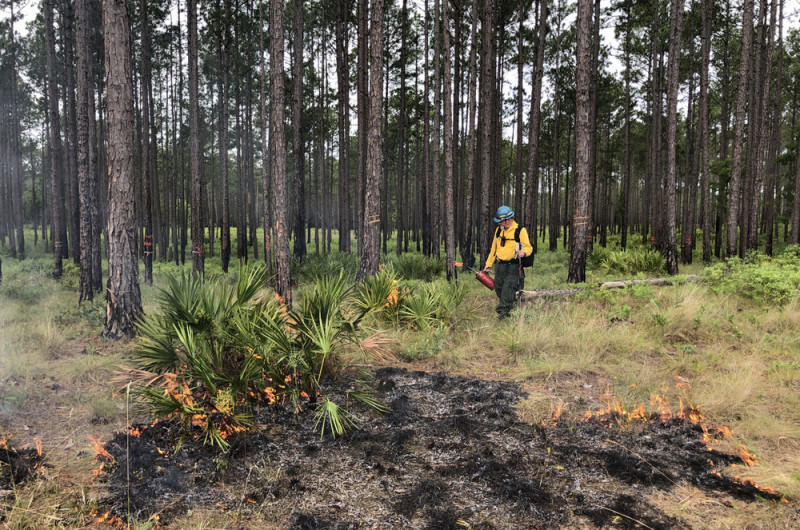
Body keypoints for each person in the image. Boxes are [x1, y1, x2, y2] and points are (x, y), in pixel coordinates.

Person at [482, 206, 533, 321]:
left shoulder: (520, 230)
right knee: (499, 289)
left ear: (508, 220)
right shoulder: (499, 230)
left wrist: (523, 252)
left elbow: (529, 248)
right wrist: (489, 263)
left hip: (513, 267)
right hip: (500, 266)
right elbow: (494, 249)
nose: (500, 223)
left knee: (508, 291)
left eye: (501, 221)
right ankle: (510, 309)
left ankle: (503, 318)